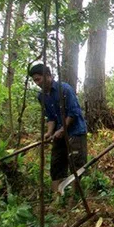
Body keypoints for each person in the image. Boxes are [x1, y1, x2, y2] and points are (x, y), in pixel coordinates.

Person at [29, 64, 88, 193]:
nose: (37, 83)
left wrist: (62, 130)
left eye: (38, 79)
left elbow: (73, 113)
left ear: (48, 76)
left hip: (75, 133)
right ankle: (58, 197)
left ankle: (75, 197)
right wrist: (50, 132)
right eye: (35, 81)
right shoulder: (42, 96)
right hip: (58, 134)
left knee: (77, 165)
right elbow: (50, 117)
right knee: (56, 165)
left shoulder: (65, 90)